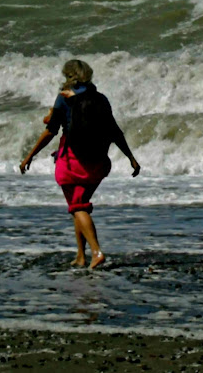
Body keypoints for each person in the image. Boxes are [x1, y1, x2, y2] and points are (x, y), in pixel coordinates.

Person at [20, 59, 140, 269]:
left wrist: (29, 155)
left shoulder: (64, 98)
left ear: (68, 77)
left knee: (77, 207)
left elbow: (51, 131)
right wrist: (131, 157)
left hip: (72, 161)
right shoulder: (101, 99)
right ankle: (81, 256)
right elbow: (114, 130)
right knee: (79, 203)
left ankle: (96, 253)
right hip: (98, 161)